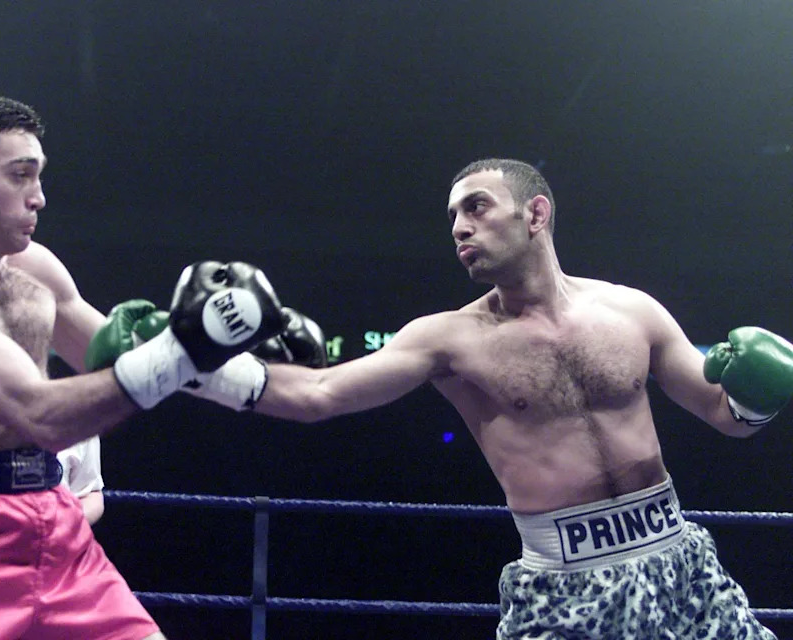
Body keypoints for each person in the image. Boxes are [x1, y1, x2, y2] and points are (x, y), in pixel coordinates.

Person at [166, 159, 793, 638]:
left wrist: (761, 394)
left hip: (680, 564)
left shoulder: (632, 310)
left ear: (535, 214)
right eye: (453, 218)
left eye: (477, 207)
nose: (461, 227)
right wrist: (181, 365)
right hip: (565, 588)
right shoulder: (450, 339)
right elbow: (318, 393)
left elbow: (725, 416)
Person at [0, 87, 286, 640]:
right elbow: (42, 415)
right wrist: (188, 347)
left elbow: (114, 357)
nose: (38, 198)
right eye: (20, 175)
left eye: (39, 177)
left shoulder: (36, 269)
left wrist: (250, 372)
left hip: (56, 523)